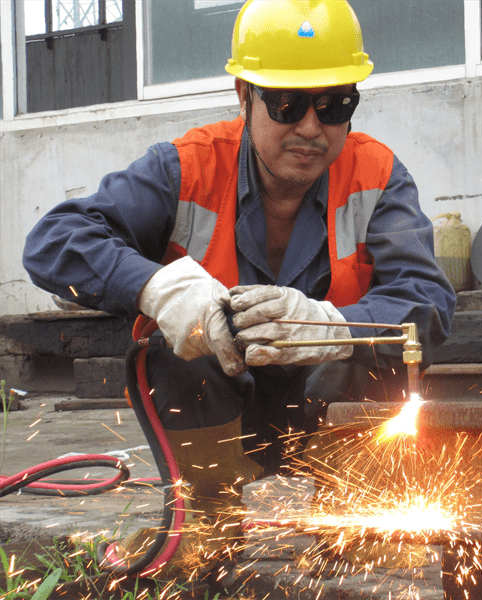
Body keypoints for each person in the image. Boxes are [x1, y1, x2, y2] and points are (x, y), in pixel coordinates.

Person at [22, 0, 455, 579]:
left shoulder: (376, 175)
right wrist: (160, 290)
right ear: (243, 94)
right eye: (287, 103)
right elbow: (53, 241)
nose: (310, 127)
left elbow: (427, 300)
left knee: (384, 348)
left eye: (334, 106)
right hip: (219, 408)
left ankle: (358, 517)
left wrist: (335, 327)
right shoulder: (185, 167)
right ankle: (210, 519)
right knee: (171, 352)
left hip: (323, 409)